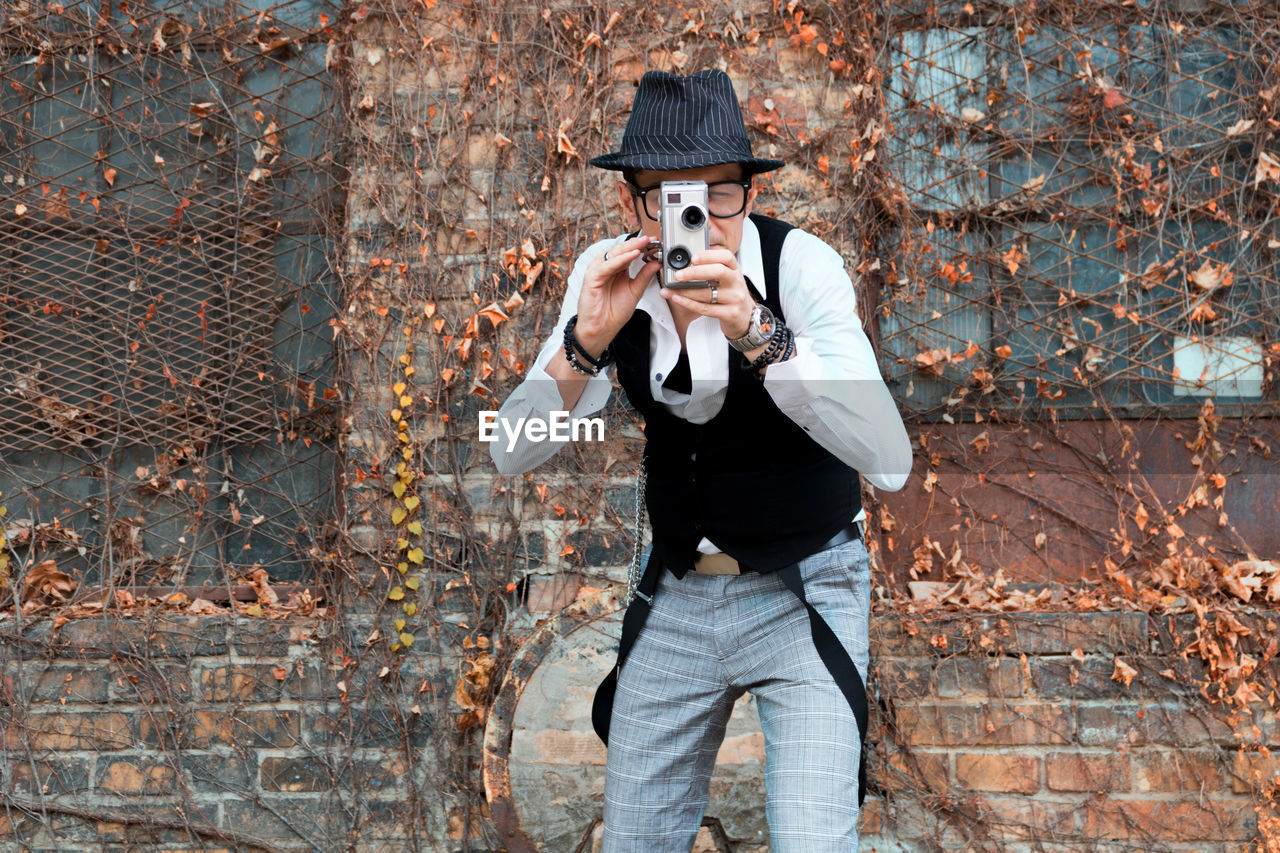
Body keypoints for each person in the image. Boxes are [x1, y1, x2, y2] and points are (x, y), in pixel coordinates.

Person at [489, 69, 911, 853]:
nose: (698, 216)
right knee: (635, 839)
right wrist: (585, 343)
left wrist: (765, 333)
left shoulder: (800, 268)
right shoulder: (607, 278)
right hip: (680, 590)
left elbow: (890, 459)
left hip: (806, 585)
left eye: (718, 192)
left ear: (748, 195)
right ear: (631, 204)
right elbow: (508, 450)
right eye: (668, 195)